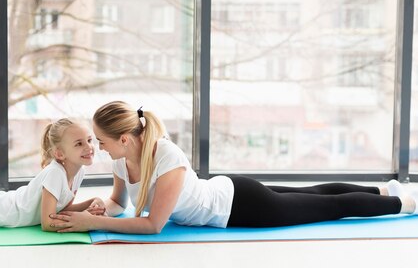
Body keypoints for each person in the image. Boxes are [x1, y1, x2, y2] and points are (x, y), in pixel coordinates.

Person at [48, 101, 418, 234]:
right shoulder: (120, 158)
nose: (98, 147)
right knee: (316, 193)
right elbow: (119, 203)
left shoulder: (167, 158)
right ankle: (384, 189)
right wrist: (100, 208)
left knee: (329, 207)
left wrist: (93, 223)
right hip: (232, 191)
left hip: (241, 206)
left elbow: (152, 225)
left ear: (125, 139)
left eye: (101, 140)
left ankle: (405, 203)